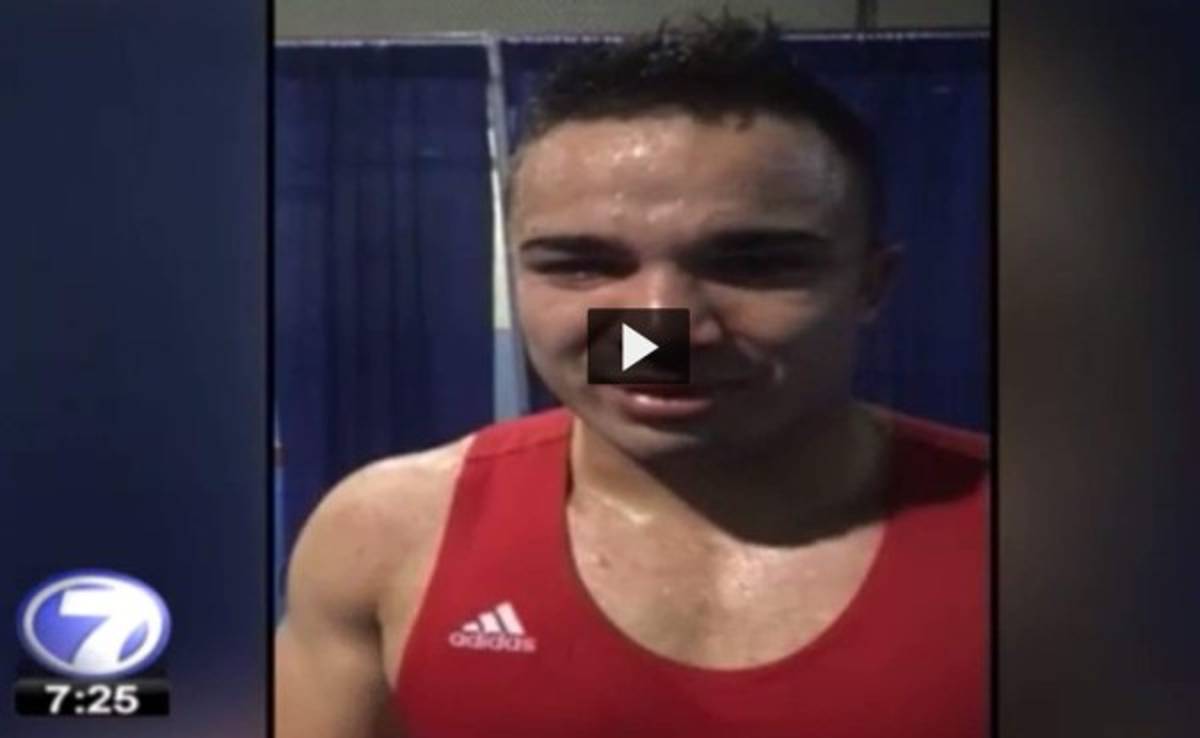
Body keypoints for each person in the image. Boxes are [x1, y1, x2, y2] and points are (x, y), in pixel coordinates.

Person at [275, 15, 987, 738]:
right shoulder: (385, 536)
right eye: (581, 264)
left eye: (753, 264)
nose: (661, 329)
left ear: (871, 286)